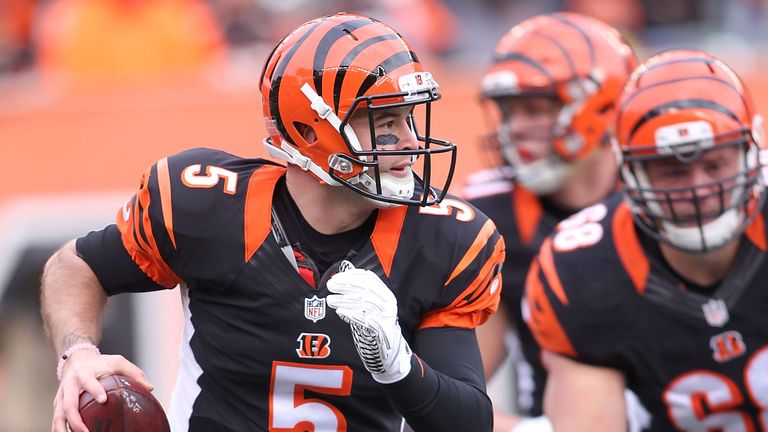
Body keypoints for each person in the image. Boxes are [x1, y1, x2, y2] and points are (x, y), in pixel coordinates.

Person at [41, 12, 505, 432]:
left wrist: (400, 367)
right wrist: (79, 352)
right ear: (307, 131)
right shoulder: (207, 206)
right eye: (383, 123)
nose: (409, 142)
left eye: (408, 118)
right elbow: (75, 266)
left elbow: (468, 422)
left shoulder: (443, 238)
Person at [525, 48, 768, 431]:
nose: (698, 188)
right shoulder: (585, 268)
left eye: (716, 164)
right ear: (630, 173)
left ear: (751, 152)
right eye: (672, 171)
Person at [461, 12, 640, 431]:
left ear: (602, 102)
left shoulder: (662, 195)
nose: (516, 129)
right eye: (509, 111)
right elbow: (451, 391)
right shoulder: (492, 217)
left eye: (536, 109)